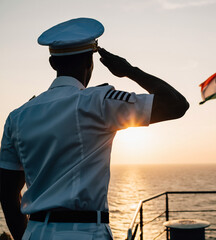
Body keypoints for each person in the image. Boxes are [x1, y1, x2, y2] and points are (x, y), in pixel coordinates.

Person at [0, 18, 189, 240]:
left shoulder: (18, 116)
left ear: (52, 63)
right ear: (90, 62)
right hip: (86, 232)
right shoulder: (99, 101)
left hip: (35, 232)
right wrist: (129, 70)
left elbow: (7, 192)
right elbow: (176, 104)